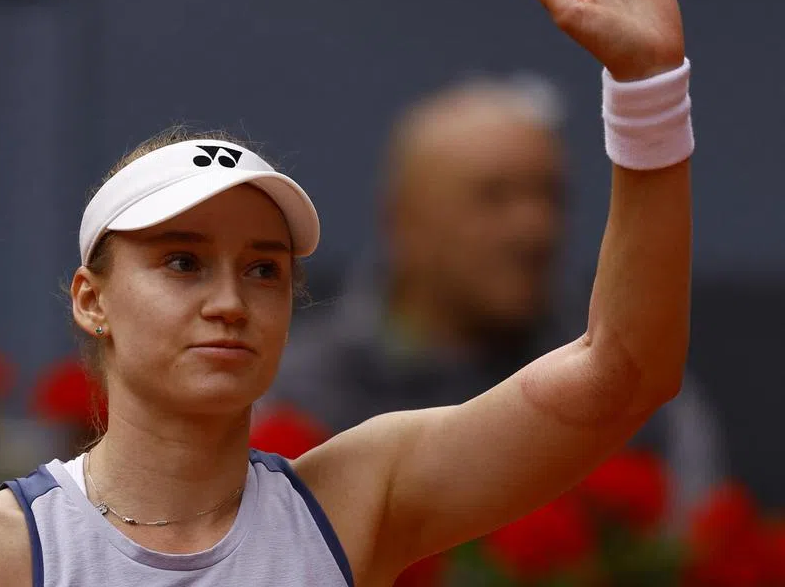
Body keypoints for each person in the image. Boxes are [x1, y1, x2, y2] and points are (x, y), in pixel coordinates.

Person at [0, 0, 696, 586]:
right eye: (182, 262)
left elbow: (624, 374)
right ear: (92, 300)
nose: (230, 300)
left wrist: (649, 87)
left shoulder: (356, 505)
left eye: (264, 268)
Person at [269, 77, 724, 519]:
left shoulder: (637, 400)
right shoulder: (293, 399)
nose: (533, 228)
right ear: (404, 221)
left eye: (550, 196)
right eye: (493, 197)